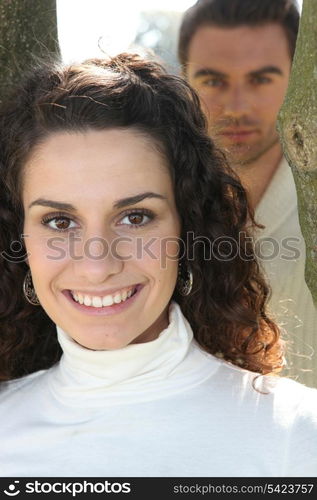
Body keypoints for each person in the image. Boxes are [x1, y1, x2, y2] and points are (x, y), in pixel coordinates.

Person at [0, 53, 316, 478]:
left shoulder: (295, 435)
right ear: (19, 238)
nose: (98, 267)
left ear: (189, 227)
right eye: (60, 222)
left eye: (135, 217)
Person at [178, 0, 317, 388]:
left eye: (261, 79)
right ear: (183, 80)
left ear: (296, 78)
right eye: (213, 80)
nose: (236, 107)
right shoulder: (157, 210)